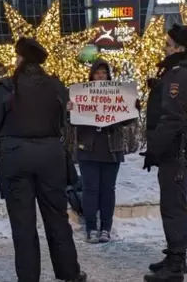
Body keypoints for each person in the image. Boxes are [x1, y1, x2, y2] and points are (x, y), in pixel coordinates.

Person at [0, 37, 87, 282]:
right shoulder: (56, 86)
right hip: (51, 157)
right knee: (57, 217)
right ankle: (69, 272)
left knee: (23, 222)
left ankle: (29, 277)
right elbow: (63, 121)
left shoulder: (5, 88)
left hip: (16, 158)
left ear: (20, 59)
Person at [140, 24, 187, 282]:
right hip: (174, 144)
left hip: (176, 146)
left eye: (168, 44)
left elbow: (173, 117)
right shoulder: (176, 72)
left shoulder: (181, 74)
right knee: (170, 203)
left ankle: (176, 264)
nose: (164, 47)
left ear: (180, 48)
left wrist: (154, 149)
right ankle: (173, 255)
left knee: (173, 205)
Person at [67, 58, 136, 244]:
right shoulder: (81, 94)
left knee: (107, 190)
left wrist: (133, 108)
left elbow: (126, 121)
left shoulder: (116, 93)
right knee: (90, 190)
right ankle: (91, 228)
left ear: (108, 75)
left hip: (111, 150)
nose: (100, 76)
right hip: (88, 150)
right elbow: (71, 121)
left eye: (104, 73)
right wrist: (69, 110)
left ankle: (105, 228)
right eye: (97, 73)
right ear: (92, 75)